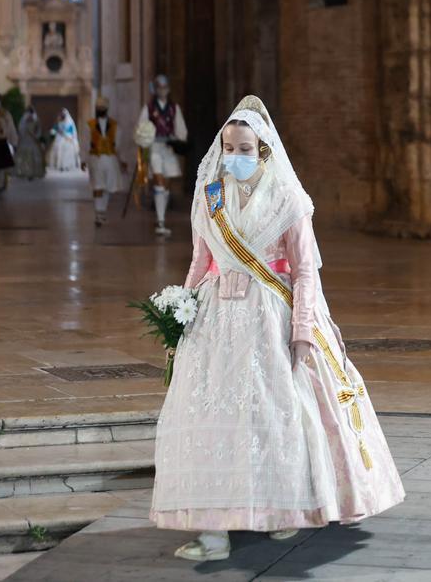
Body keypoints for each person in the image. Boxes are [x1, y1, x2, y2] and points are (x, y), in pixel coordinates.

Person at [151, 95, 405, 562]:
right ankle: (212, 529)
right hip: (216, 321)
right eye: (229, 147)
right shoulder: (210, 196)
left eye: (245, 148)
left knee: (276, 414)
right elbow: (199, 261)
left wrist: (304, 328)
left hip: (272, 316)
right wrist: (179, 315)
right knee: (212, 420)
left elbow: (306, 271)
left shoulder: (288, 198)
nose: (235, 156)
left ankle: (284, 507)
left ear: (263, 149)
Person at [137, 74, 188, 237]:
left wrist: (179, 139)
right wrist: (144, 140)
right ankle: (160, 221)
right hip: (155, 148)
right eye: (159, 87)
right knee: (158, 181)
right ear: (155, 89)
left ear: (169, 89)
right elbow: (141, 127)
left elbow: (180, 128)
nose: (162, 90)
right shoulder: (149, 108)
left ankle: (162, 218)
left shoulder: (174, 108)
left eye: (165, 87)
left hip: (168, 148)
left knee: (166, 184)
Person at [81, 97, 127, 226]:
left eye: (102, 108)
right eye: (98, 108)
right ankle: (98, 213)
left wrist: (122, 160)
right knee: (97, 186)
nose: (100, 109)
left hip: (110, 159)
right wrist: (83, 159)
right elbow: (85, 143)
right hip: (95, 159)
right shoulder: (89, 125)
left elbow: (118, 145)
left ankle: (102, 211)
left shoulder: (114, 125)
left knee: (107, 186)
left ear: (106, 109)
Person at [13, 106, 46, 180]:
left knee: (33, 154)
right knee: (24, 155)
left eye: (30, 112)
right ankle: (24, 172)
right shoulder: (24, 120)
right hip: (25, 140)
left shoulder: (36, 119)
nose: (28, 114)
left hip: (32, 140)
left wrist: (36, 136)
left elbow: (38, 130)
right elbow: (21, 129)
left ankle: (32, 173)